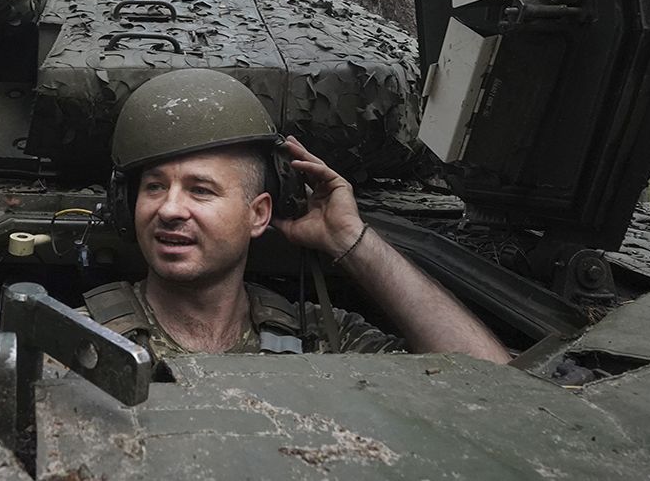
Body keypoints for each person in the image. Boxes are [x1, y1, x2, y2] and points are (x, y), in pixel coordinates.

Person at [85, 69, 512, 362]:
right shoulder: (78, 339)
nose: (170, 210)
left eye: (201, 190)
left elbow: (492, 385)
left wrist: (352, 240)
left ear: (258, 214)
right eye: (154, 187)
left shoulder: (320, 336)